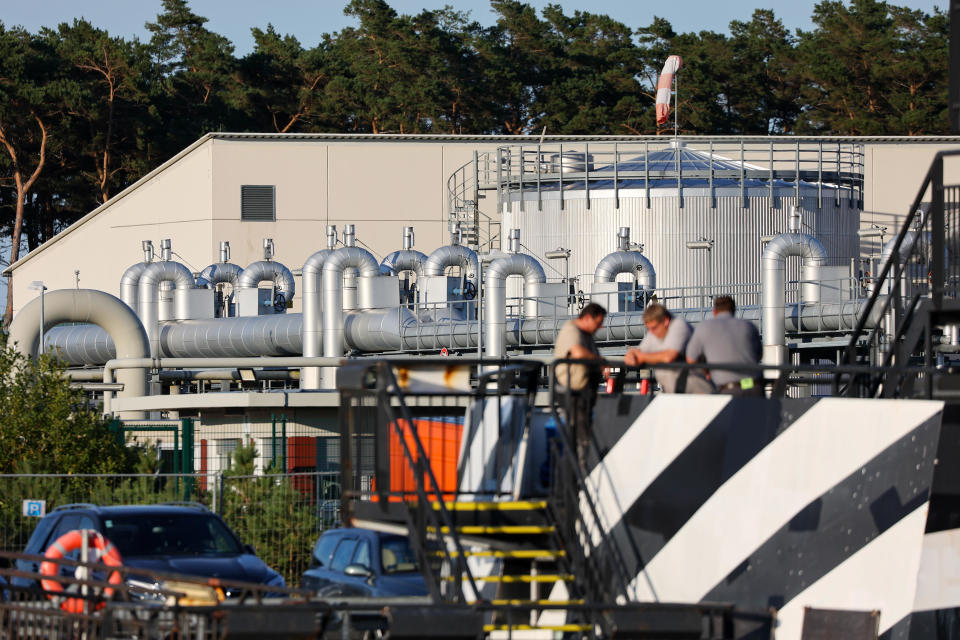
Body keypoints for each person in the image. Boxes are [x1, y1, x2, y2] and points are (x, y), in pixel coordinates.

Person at [553, 303, 607, 469]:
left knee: (583, 435)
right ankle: (574, 480)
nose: (600, 327)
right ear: (587, 318)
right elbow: (577, 352)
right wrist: (600, 362)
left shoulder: (587, 336)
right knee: (578, 439)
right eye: (598, 323)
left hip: (584, 393)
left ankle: (578, 476)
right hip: (571, 393)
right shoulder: (572, 330)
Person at [624, 303, 713, 393]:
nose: (651, 332)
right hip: (676, 393)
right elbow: (638, 351)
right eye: (649, 329)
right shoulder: (655, 331)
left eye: (654, 328)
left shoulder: (679, 325)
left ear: (665, 321)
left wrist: (642, 357)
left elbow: (669, 356)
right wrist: (631, 354)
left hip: (698, 393)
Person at [686, 295, 763, 396]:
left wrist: (706, 371)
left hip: (729, 389)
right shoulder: (749, 326)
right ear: (733, 310)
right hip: (753, 385)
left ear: (714, 311)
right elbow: (759, 355)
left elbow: (690, 360)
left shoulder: (704, 327)